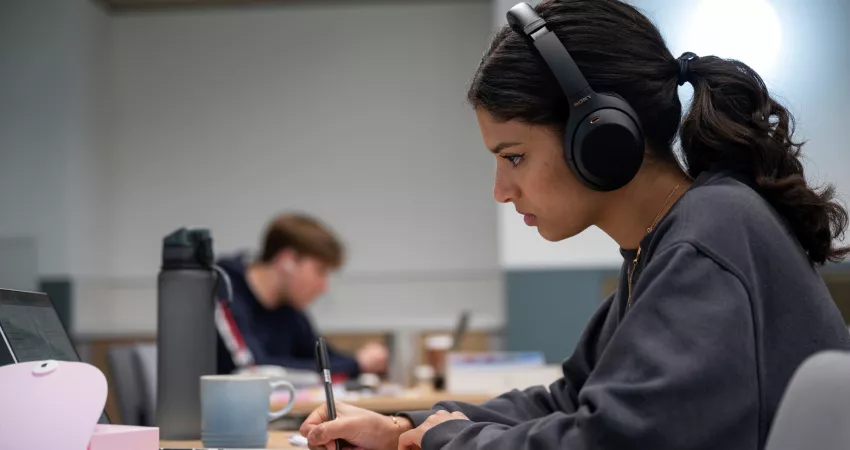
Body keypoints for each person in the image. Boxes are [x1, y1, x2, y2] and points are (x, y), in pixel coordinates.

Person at [299, 1, 850, 449]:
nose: (500, 190)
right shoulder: (665, 244)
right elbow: (570, 400)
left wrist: (452, 441)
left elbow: (617, 441)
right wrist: (406, 428)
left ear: (599, 138)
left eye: (513, 156)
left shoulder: (707, 238)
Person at [214, 212, 388, 377]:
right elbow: (255, 370)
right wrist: (356, 364)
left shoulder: (288, 306)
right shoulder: (225, 291)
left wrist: (360, 361)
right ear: (287, 261)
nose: (324, 287)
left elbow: (321, 359)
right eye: (320, 271)